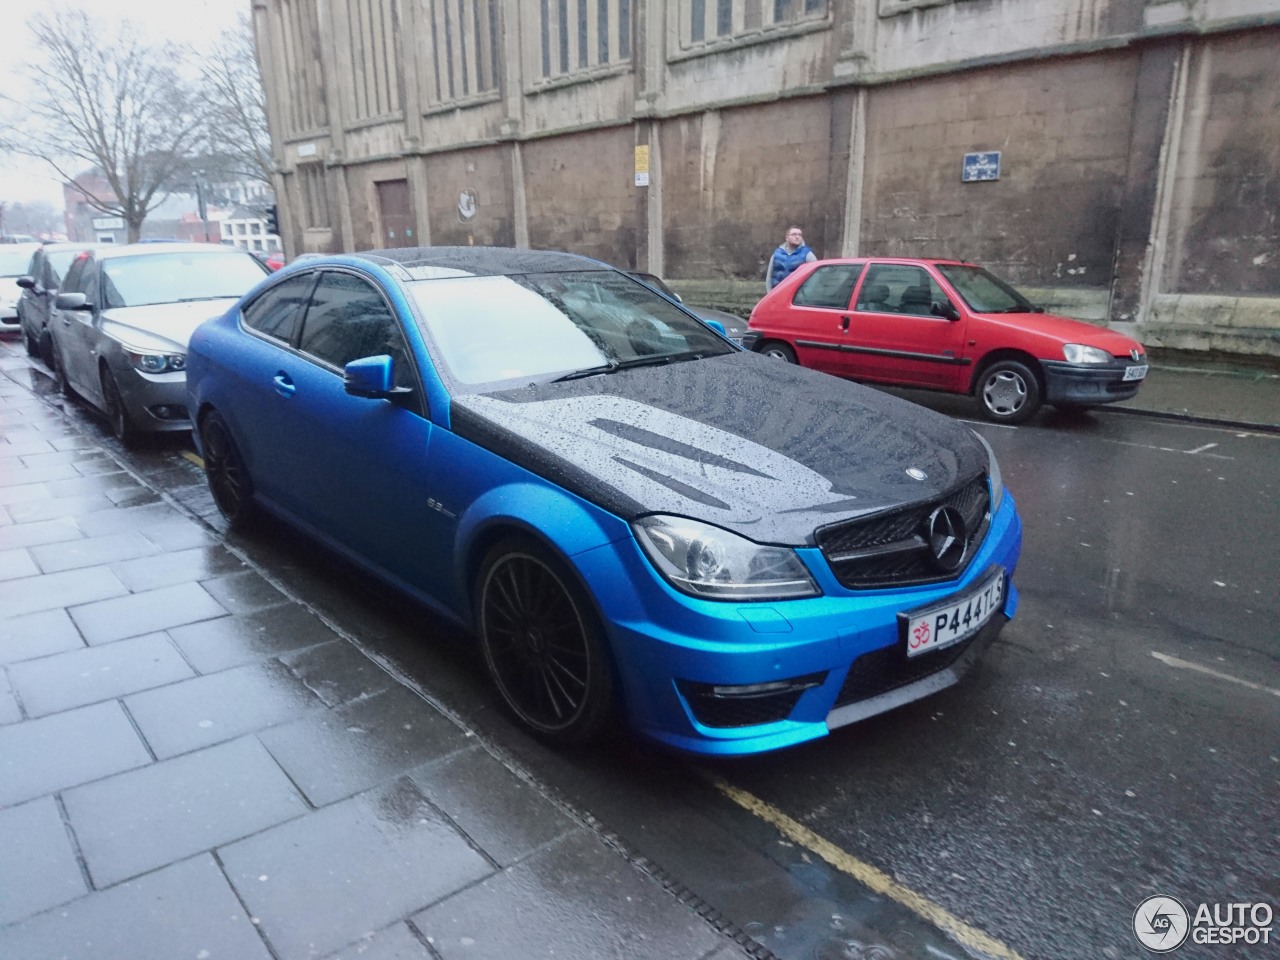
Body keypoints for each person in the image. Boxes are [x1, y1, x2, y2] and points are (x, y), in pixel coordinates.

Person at [765, 226, 816, 291]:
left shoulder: (808, 254)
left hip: (797, 296)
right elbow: (769, 276)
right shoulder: (777, 254)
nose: (797, 237)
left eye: (799, 235)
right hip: (778, 293)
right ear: (787, 238)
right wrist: (769, 293)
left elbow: (815, 277)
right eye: (794, 234)